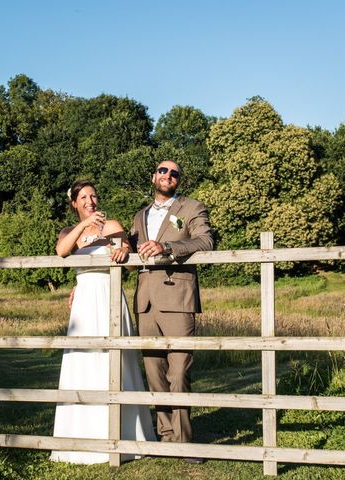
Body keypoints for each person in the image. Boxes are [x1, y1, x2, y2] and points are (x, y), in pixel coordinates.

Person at [50, 180, 156, 464]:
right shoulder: (69, 231)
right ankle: (80, 438)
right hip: (84, 301)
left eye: (94, 195)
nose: (90, 200)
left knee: (116, 362)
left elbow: (129, 258)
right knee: (84, 362)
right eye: (83, 197)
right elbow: (62, 251)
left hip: (110, 296)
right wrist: (84, 226)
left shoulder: (112, 226)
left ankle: (125, 436)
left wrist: (123, 251)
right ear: (74, 203)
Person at [129, 160, 213, 463]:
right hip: (145, 302)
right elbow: (126, 248)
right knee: (154, 374)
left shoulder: (192, 208)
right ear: (154, 176)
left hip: (178, 299)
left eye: (174, 173)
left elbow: (206, 241)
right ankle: (165, 437)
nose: (168, 176)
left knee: (179, 372)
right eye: (163, 171)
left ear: (178, 180)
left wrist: (166, 246)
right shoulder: (139, 215)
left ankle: (183, 442)